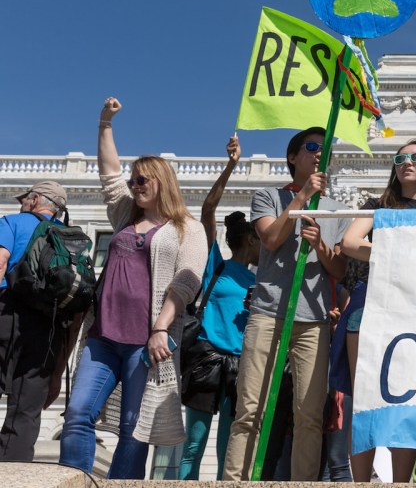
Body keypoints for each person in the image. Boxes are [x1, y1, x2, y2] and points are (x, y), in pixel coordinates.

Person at [59, 97, 208, 477]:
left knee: (133, 430)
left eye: (142, 180)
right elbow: (109, 175)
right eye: (133, 181)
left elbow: (187, 280)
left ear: (162, 183)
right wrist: (104, 123)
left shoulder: (188, 228)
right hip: (103, 336)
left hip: (146, 344)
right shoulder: (125, 215)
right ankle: (72, 482)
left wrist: (161, 327)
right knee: (77, 413)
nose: (134, 186)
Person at [223, 127, 349, 480]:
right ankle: (235, 480)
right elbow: (271, 238)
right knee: (250, 408)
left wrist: (321, 246)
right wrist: (300, 199)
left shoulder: (337, 210)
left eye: (325, 150)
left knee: (309, 414)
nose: (318, 154)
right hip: (268, 314)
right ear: (293, 156)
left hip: (314, 319)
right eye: (311, 147)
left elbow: (339, 268)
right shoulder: (268, 196)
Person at [336, 139, 416, 482]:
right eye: (401, 158)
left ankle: (400, 482)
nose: (407, 163)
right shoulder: (377, 205)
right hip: (369, 304)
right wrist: (400, 250)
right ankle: (361, 479)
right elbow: (350, 243)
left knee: (406, 401)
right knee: (363, 398)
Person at [179, 135, 259, 480]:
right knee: (194, 443)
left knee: (229, 446)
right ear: (251, 240)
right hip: (209, 357)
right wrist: (230, 166)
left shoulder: (262, 279)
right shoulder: (219, 267)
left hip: (241, 365)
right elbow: (208, 210)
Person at [0, 180, 78, 462]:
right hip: (49, 329)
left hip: (8, 315)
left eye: (24, 199)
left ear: (34, 200)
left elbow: (0, 261)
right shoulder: (69, 239)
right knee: (25, 413)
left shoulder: (13, 222)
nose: (21, 203)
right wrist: (58, 369)